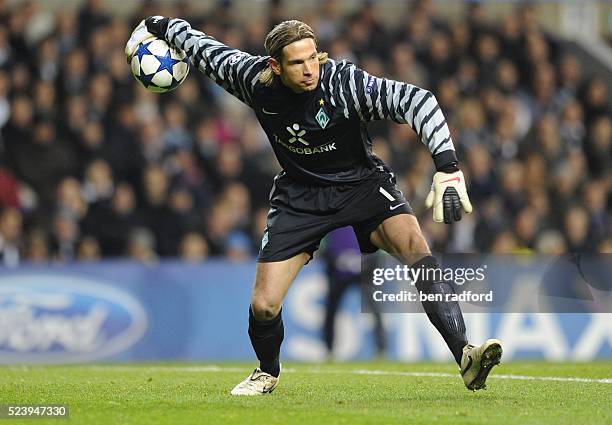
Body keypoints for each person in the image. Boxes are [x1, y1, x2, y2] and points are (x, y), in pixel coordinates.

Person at [127, 16, 502, 395]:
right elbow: (203, 49)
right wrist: (156, 25)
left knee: (415, 248)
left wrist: (448, 168)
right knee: (264, 306)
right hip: (300, 195)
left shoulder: (344, 84)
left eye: (313, 58)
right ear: (275, 66)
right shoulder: (252, 81)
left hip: (361, 184)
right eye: (297, 63)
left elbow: (416, 100)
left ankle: (465, 354)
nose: (310, 70)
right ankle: (267, 371)